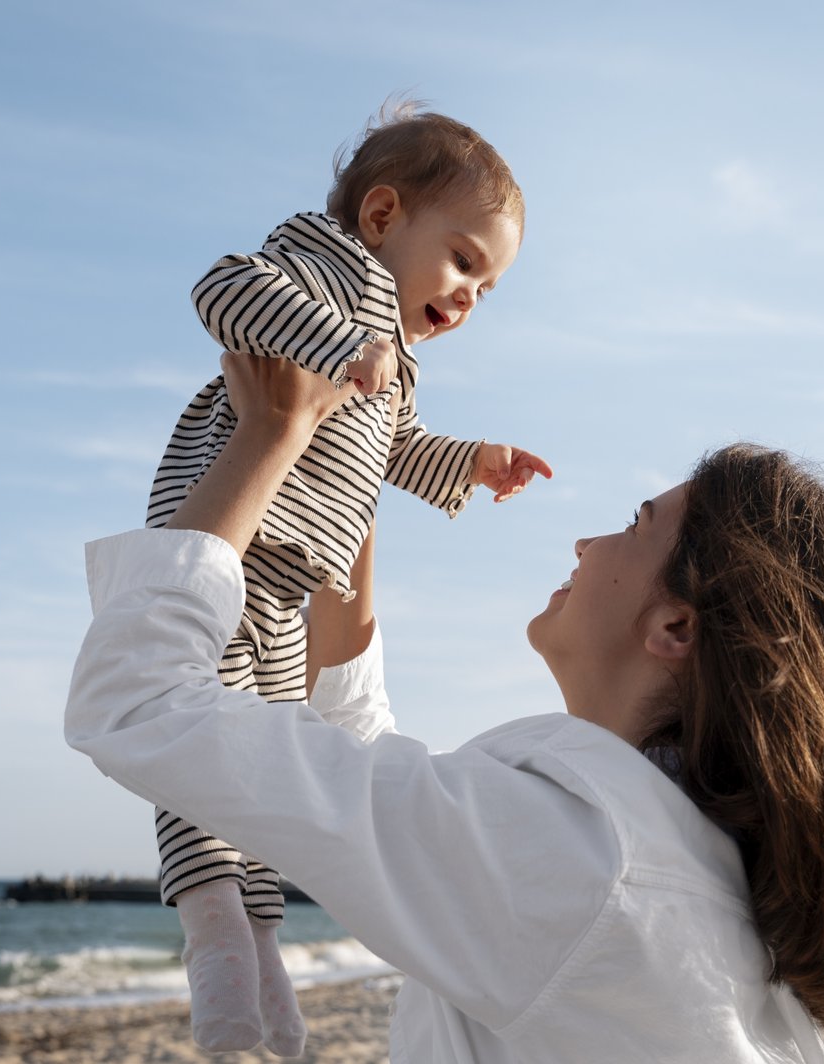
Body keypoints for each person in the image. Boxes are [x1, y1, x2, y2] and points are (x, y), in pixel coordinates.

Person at [68, 353, 824, 1062]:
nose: (587, 540)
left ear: (677, 625)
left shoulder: (574, 858)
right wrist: (350, 481)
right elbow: (379, 773)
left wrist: (269, 432)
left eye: (636, 522)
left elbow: (142, 699)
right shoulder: (662, 860)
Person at [142, 101, 552, 1054]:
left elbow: (395, 448)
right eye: (463, 262)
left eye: (488, 287)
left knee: (263, 774)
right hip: (225, 548)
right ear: (379, 218)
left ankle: (262, 970)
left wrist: (469, 462)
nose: (470, 297)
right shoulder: (324, 269)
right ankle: (215, 952)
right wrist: (333, 346)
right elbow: (221, 287)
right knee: (197, 755)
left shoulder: (396, 362)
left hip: (291, 591)